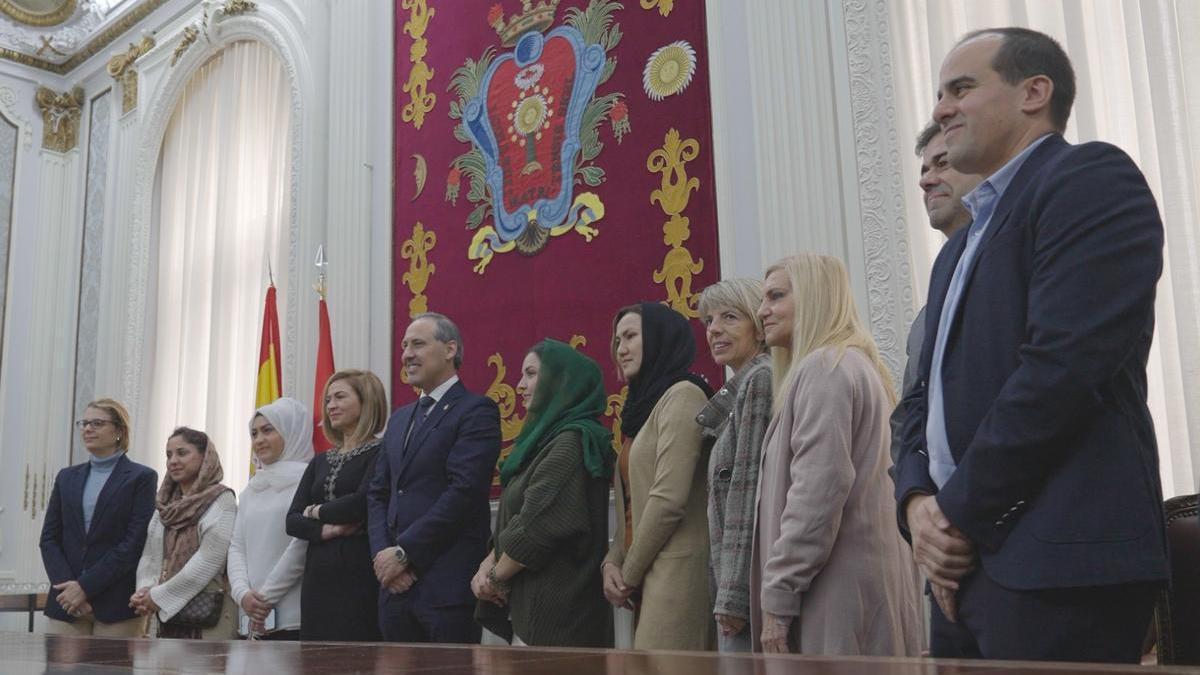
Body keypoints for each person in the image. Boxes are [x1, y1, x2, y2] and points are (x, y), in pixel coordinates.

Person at [894, 27, 1168, 663]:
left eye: (961, 88)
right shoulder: (959, 245)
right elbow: (916, 401)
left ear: (1034, 93)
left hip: (1056, 561)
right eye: (939, 92)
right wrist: (915, 505)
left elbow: (1061, 372)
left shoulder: (1088, 179)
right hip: (957, 570)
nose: (940, 109)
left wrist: (953, 515)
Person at [753, 254, 921, 656]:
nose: (762, 311)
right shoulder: (853, 364)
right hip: (854, 584)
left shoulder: (824, 368)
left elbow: (816, 495)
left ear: (813, 297)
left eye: (776, 296)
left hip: (833, 592)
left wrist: (778, 597)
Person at [368, 312, 501, 644]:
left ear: (449, 349)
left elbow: (464, 492)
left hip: (446, 587)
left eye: (418, 344)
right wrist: (385, 556)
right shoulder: (399, 420)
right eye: (403, 346)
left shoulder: (476, 411)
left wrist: (405, 554)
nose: (407, 354)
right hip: (394, 590)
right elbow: (378, 493)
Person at [471, 339, 614, 647]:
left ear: (561, 381)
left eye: (531, 374)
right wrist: (486, 565)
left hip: (559, 616)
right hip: (530, 606)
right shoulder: (541, 443)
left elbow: (536, 527)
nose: (520, 386)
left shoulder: (571, 442)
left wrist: (495, 578)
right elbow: (514, 520)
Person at [602, 302, 715, 651]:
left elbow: (668, 501)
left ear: (660, 338)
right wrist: (611, 563)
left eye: (632, 336)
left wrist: (629, 575)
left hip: (676, 571)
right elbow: (633, 502)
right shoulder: (642, 408)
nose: (621, 348)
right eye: (618, 339)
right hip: (645, 570)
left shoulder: (683, 395)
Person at [888, 122, 982, 473]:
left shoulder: (1024, 266)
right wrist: (912, 497)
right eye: (924, 169)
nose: (926, 180)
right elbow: (909, 417)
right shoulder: (928, 315)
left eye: (942, 163)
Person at [693, 279, 771, 652]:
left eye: (729, 317)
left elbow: (746, 493)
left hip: (748, 591)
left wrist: (733, 596)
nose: (715, 330)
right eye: (709, 320)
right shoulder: (749, 382)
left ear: (758, 326)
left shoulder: (760, 379)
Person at [286, 369, 387, 641]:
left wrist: (315, 510)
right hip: (318, 576)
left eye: (340, 397)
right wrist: (326, 530)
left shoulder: (382, 452)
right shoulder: (319, 460)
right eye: (328, 399)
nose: (331, 405)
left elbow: (359, 504)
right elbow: (292, 520)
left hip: (360, 571)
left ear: (366, 402)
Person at [40, 399, 156, 636]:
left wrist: (85, 587)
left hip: (116, 604)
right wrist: (69, 590)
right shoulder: (66, 477)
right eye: (84, 423)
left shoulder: (141, 477)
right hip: (66, 604)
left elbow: (133, 544)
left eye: (97, 423)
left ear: (119, 431)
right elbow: (49, 539)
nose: (87, 429)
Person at [131, 427, 237, 639]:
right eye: (169, 455)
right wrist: (144, 590)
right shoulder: (165, 504)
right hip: (163, 614)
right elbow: (150, 556)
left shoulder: (222, 499)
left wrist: (158, 596)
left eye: (182, 453)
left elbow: (208, 561)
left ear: (205, 457)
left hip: (208, 618)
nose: (173, 461)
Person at [227, 397, 313, 640]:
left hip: (292, 615)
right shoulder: (252, 489)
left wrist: (265, 598)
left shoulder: (308, 482)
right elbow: (236, 548)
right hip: (250, 613)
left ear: (291, 431)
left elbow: (301, 545)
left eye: (268, 430)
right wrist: (242, 594)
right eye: (254, 434)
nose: (259, 440)